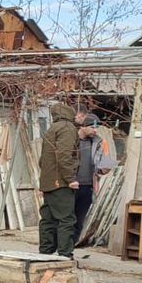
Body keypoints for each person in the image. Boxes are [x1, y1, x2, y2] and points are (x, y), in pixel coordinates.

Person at [38, 103, 79, 258]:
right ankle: (65, 254)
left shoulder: (52, 128)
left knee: (48, 219)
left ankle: (45, 253)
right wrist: (70, 179)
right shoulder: (67, 128)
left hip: (48, 182)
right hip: (60, 182)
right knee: (66, 219)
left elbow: (42, 160)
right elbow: (64, 155)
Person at [71, 113, 119, 243]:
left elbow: (99, 164)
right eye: (93, 127)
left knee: (79, 220)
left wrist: (104, 169)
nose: (95, 131)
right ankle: (60, 246)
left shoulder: (97, 142)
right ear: (84, 127)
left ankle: (71, 247)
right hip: (71, 185)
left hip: (87, 186)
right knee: (66, 219)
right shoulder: (72, 140)